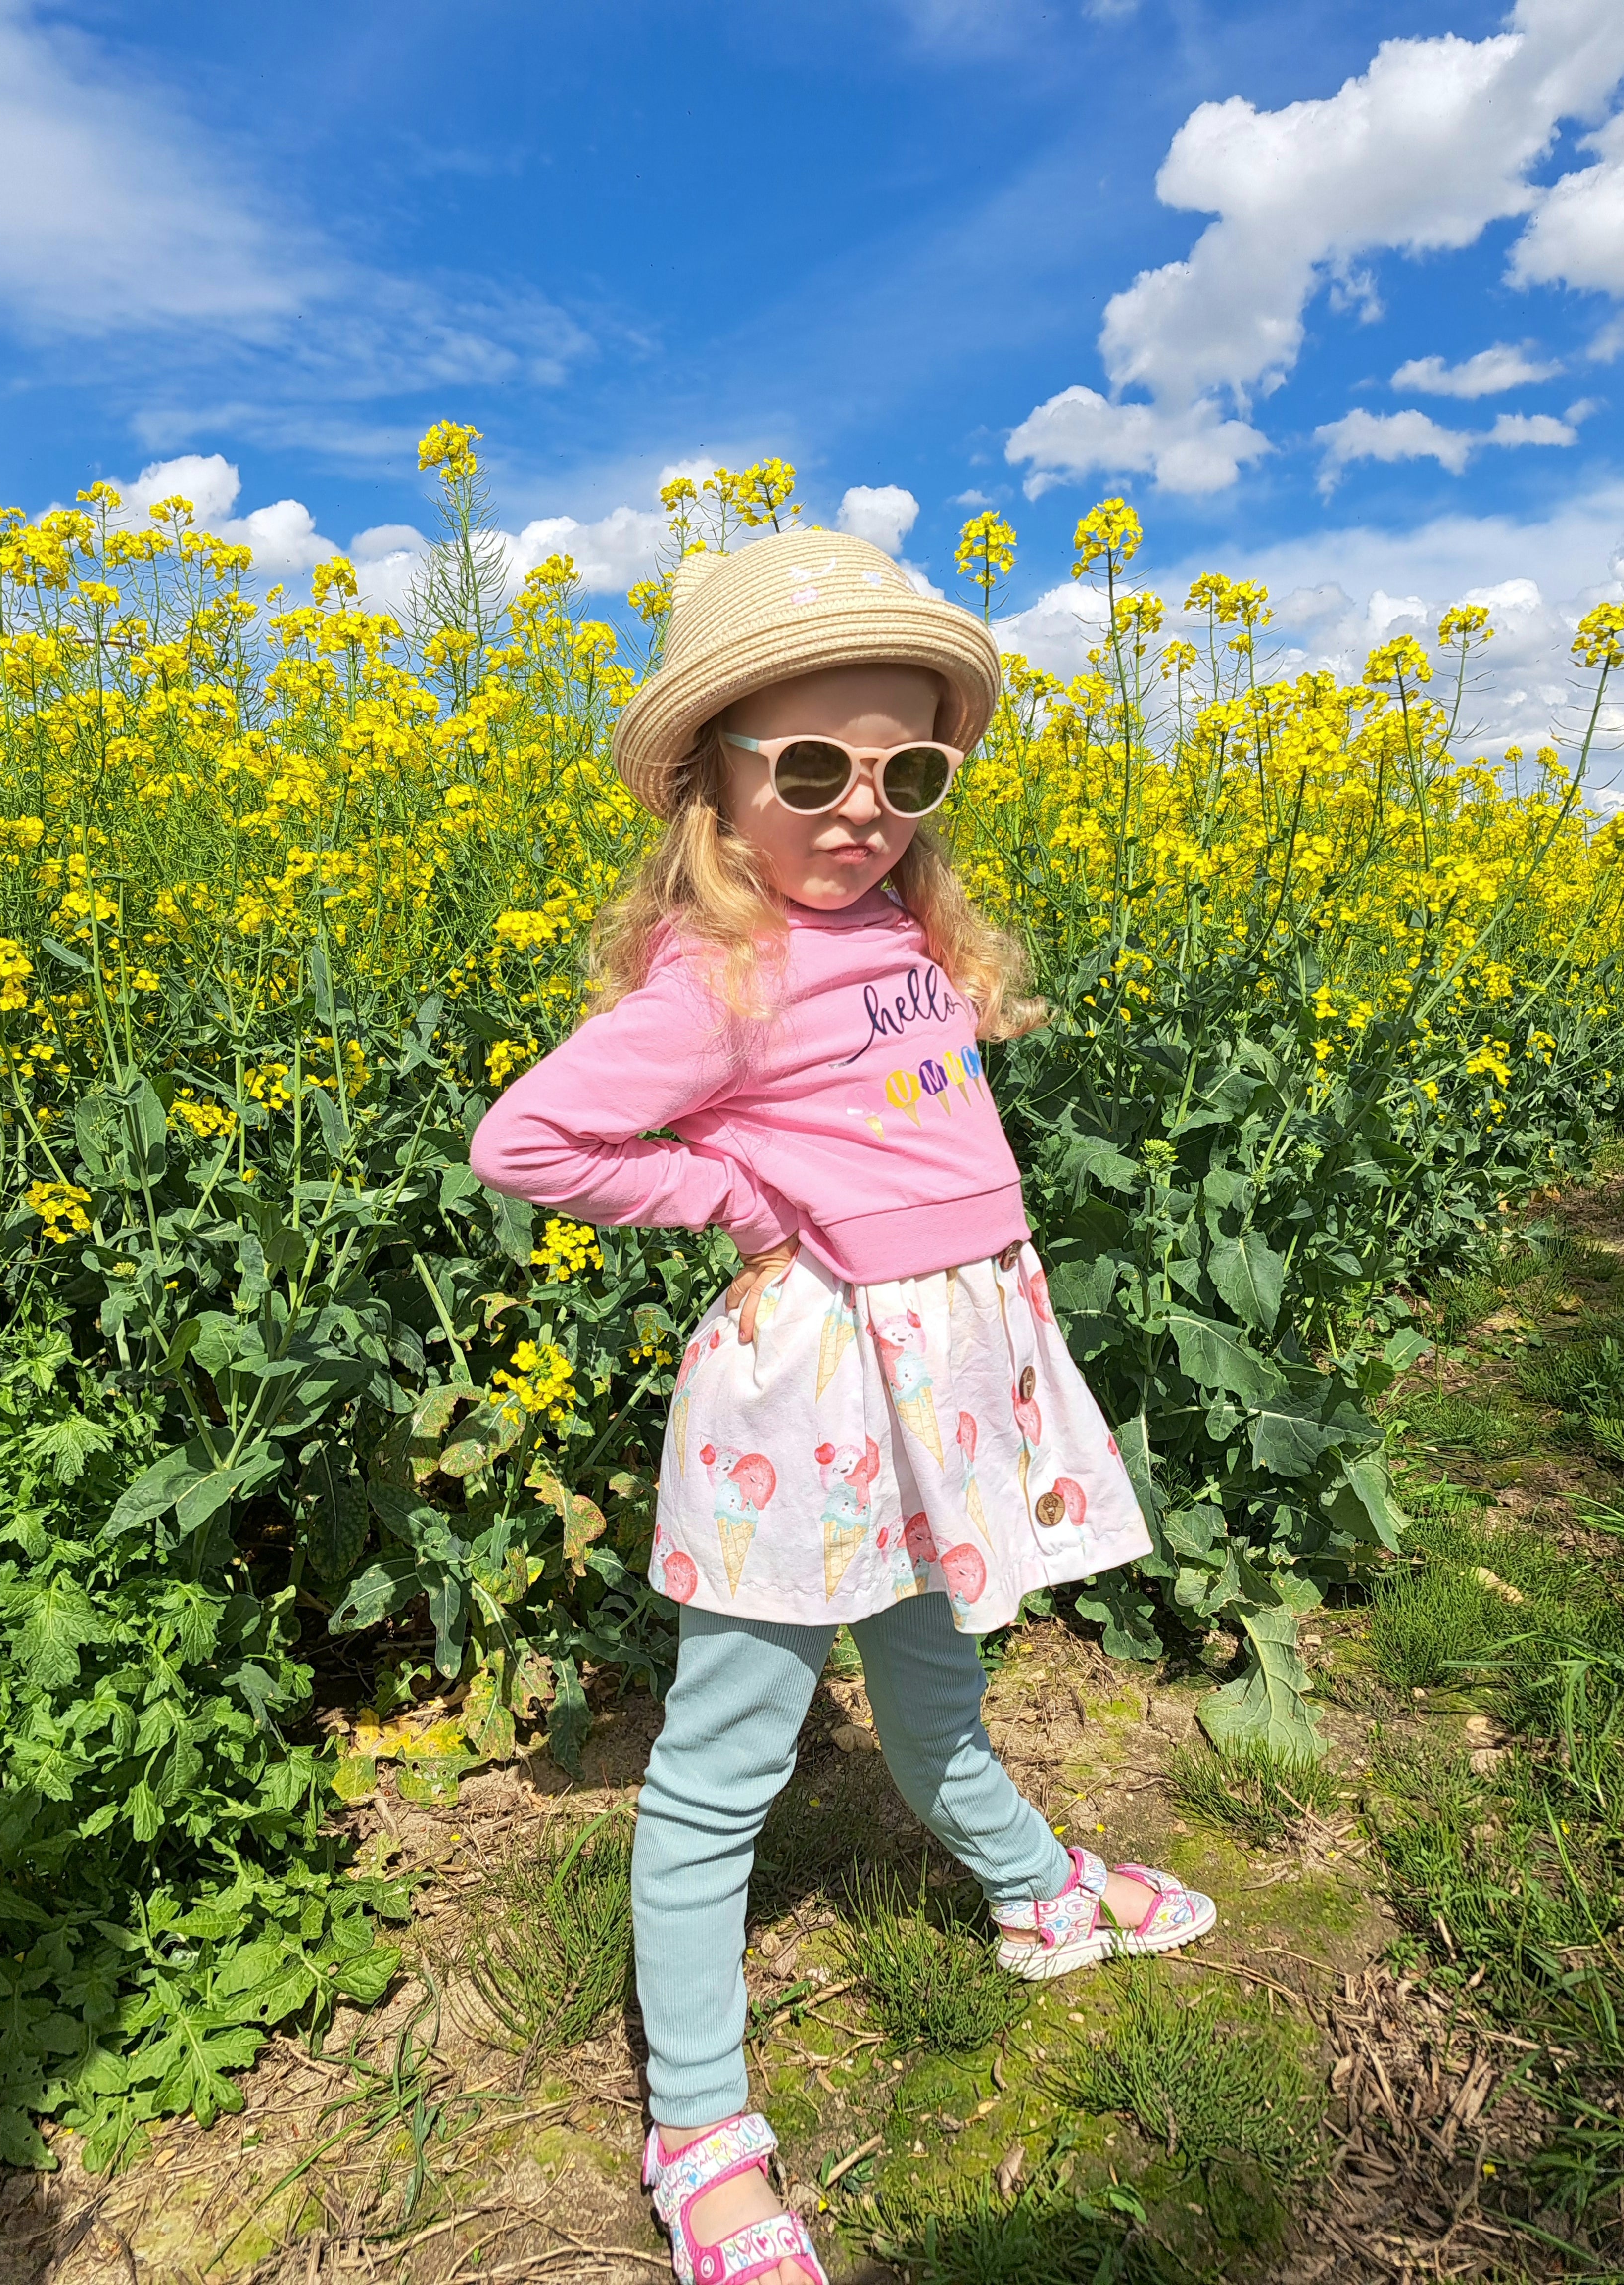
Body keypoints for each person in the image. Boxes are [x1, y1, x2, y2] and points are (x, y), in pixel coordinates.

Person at [470, 529, 1216, 2285]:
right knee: (723, 1762)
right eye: (811, 768)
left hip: (935, 1392)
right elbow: (527, 1139)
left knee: (939, 1687)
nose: (862, 805)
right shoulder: (719, 976)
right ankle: (698, 2127)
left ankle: (1031, 1887)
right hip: (808, 1404)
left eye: (908, 772)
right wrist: (732, 1197)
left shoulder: (896, 932)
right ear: (715, 785)